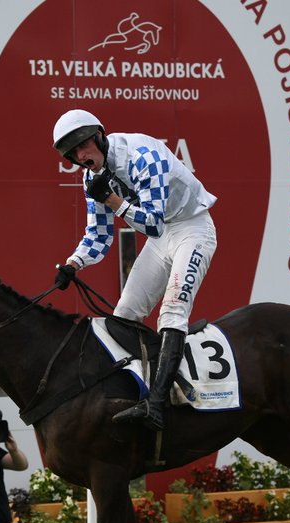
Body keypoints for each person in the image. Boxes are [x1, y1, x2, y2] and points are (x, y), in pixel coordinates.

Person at [50, 109, 218, 431]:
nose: (81, 156)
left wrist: (114, 201)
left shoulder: (142, 156)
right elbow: (99, 236)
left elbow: (152, 225)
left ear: (100, 135)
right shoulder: (92, 178)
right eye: (73, 153)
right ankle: (135, 392)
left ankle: (157, 404)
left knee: (171, 312)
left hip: (192, 229)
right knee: (124, 314)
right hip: (164, 236)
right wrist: (74, 264)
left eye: (84, 145)